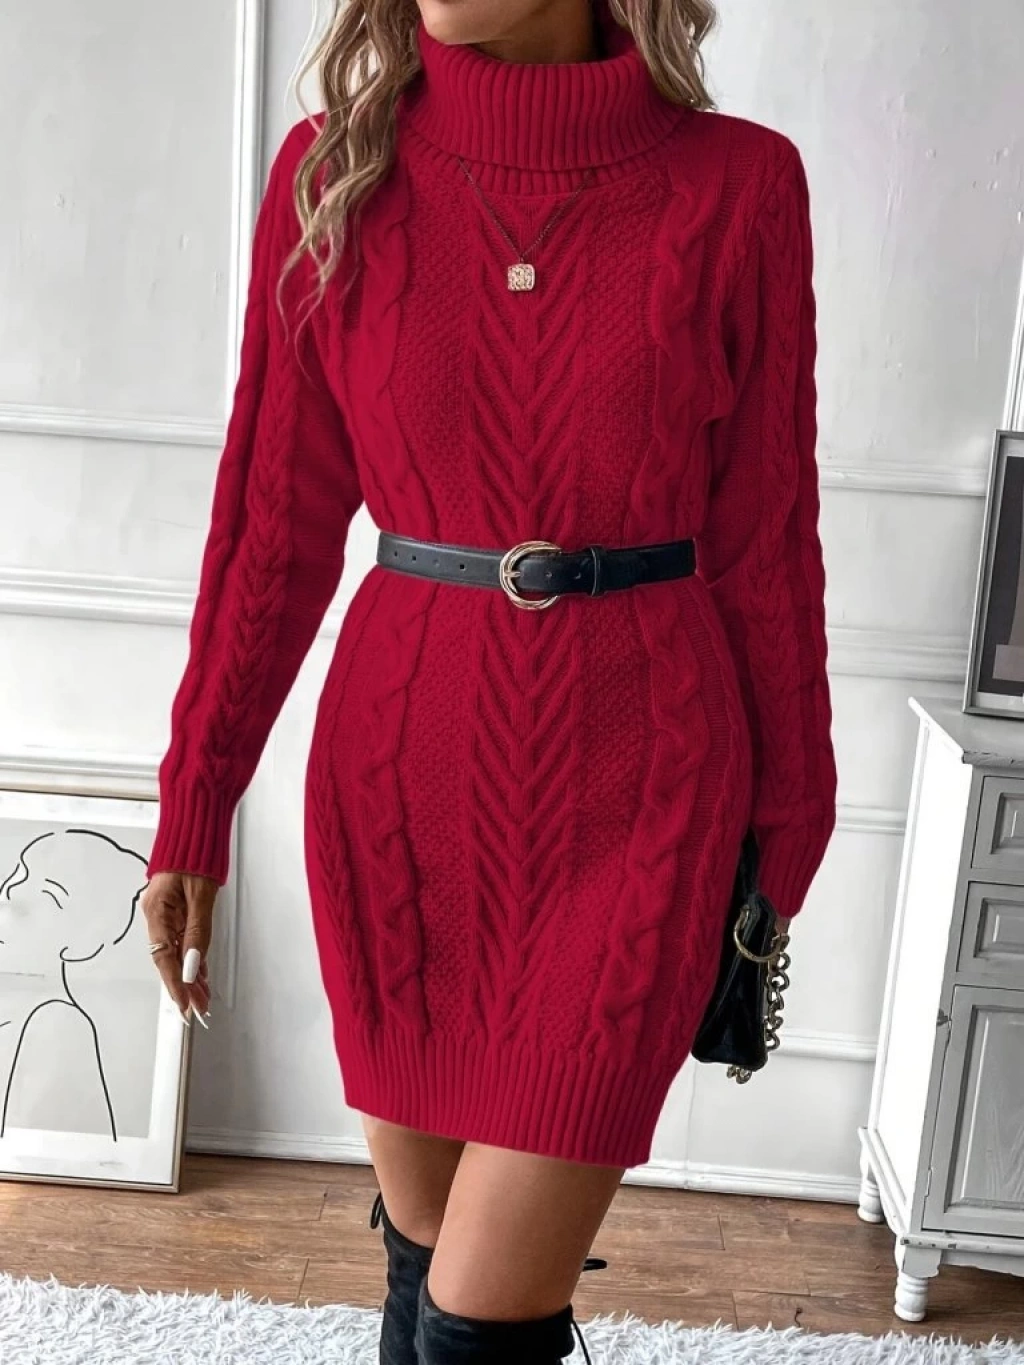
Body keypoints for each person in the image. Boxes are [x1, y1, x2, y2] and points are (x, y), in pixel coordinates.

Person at [141, 0, 838, 1359]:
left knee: (482, 1317)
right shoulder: (331, 174)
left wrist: (791, 823)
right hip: (399, 795)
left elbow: (769, 544)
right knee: (421, 1267)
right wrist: (196, 801)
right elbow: (270, 529)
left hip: (643, 797)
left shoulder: (741, 187)